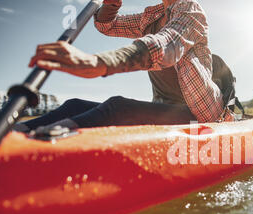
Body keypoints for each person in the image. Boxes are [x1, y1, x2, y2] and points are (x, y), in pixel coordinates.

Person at [13, 0, 233, 135]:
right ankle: (15, 133)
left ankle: (43, 144)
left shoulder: (191, 11)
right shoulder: (152, 16)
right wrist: (111, 6)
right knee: (74, 105)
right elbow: (107, 26)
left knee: (118, 107)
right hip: (164, 110)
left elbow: (166, 45)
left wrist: (96, 63)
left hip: (199, 114)